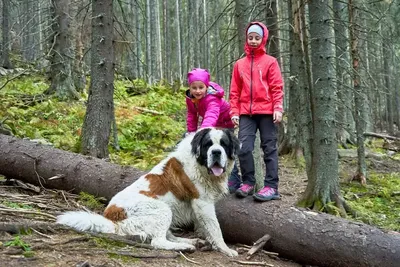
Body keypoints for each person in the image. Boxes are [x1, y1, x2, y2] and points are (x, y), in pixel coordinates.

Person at [229, 22, 284, 202]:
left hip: (267, 112)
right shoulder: (239, 64)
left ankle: (271, 186)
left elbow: (277, 87)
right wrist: (234, 112)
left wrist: (277, 108)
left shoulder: (270, 62)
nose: (253, 41)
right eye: (250, 37)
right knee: (243, 148)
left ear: (263, 39)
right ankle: (248, 182)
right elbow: (234, 91)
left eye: (257, 38)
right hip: (246, 113)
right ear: (247, 39)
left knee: (269, 149)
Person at [185, 68, 241, 192]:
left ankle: (233, 179)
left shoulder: (212, 97)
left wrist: (203, 130)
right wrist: (191, 132)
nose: (198, 91)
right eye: (194, 88)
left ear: (206, 86)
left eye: (201, 87)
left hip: (225, 123)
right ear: (190, 88)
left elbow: (212, 114)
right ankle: (209, 173)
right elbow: (191, 115)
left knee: (226, 150)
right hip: (213, 125)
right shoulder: (190, 99)